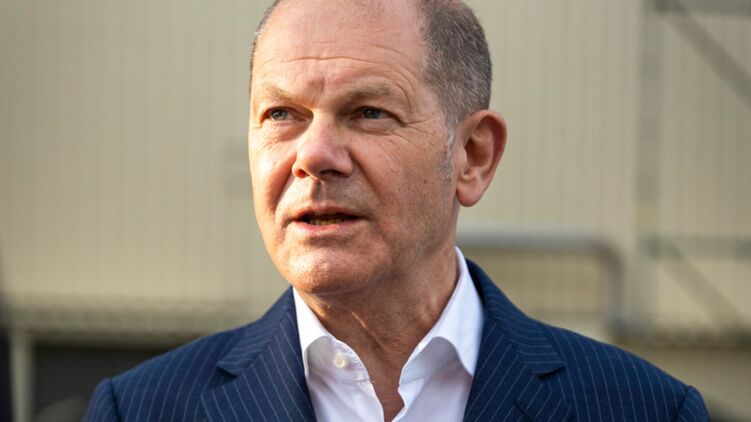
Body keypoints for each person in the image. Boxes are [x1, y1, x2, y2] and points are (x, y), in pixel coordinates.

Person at [84, 0, 709, 420]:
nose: (314, 156)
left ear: (472, 156)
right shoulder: (139, 410)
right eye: (281, 114)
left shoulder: (644, 410)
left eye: (368, 113)